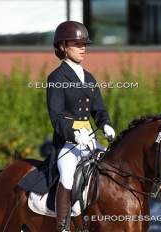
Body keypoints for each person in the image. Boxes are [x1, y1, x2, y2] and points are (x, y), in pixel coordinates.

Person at [46, 21, 115, 232]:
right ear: (63, 47)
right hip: (68, 142)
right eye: (77, 44)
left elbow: (99, 111)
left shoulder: (90, 78)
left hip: (90, 139)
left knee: (111, 168)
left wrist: (106, 125)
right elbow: (56, 117)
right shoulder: (56, 78)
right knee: (67, 175)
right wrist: (74, 135)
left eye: (84, 43)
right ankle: (62, 226)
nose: (82, 48)